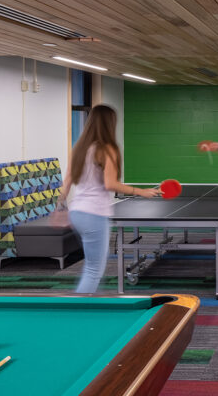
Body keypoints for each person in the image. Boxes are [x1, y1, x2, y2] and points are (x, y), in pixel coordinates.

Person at [59, 105, 160, 294]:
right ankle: (77, 307)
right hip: (93, 214)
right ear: (109, 123)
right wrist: (140, 191)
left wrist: (59, 208)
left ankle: (86, 302)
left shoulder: (80, 148)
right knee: (93, 270)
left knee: (91, 265)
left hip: (77, 213)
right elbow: (110, 184)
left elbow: (67, 181)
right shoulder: (108, 149)